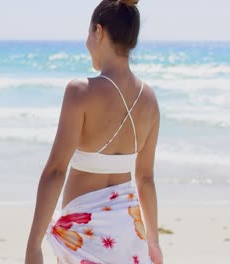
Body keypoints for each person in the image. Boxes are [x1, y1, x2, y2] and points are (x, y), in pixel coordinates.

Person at [25, 0, 162, 263]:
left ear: (98, 32)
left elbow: (55, 171)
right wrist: (153, 241)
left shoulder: (81, 91)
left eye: (89, 33)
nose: (87, 42)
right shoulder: (149, 99)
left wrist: (34, 245)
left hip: (84, 233)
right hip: (129, 231)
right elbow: (146, 178)